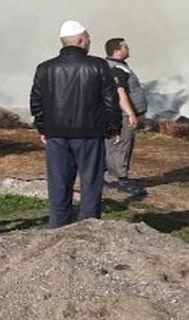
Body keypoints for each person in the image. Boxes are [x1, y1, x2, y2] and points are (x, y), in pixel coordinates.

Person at [29, 21, 121, 228]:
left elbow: (36, 101)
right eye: (88, 38)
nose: (90, 42)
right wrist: (114, 127)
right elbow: (110, 99)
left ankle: (58, 227)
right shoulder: (98, 65)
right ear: (80, 40)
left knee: (59, 183)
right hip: (89, 134)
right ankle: (87, 228)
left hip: (57, 135)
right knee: (90, 183)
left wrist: (43, 128)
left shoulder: (45, 68)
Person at [104, 37, 148, 198]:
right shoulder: (117, 68)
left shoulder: (111, 65)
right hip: (122, 114)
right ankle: (122, 180)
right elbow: (120, 92)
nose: (128, 49)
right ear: (117, 51)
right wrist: (130, 113)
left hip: (117, 113)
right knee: (122, 145)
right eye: (125, 47)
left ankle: (105, 175)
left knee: (112, 145)